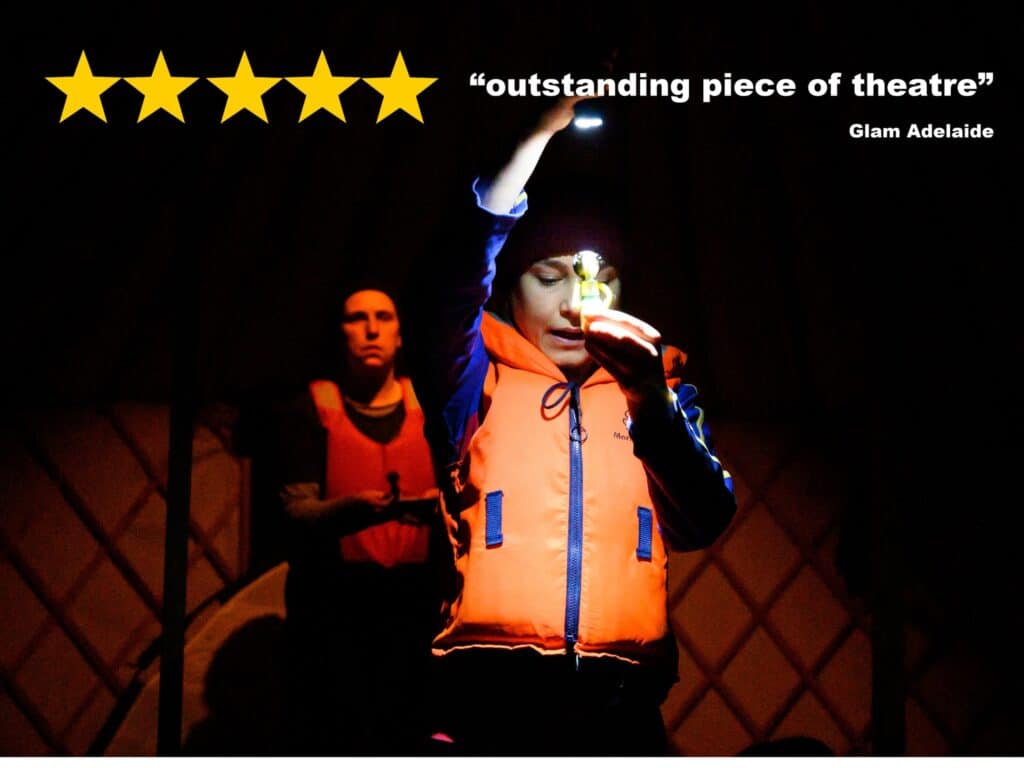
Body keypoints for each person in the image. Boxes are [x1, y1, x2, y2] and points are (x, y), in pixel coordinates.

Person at [407, 98, 737, 755]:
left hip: (621, 708)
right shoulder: (473, 380)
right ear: (509, 288)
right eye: (548, 277)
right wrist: (534, 134)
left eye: (599, 279)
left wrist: (647, 398)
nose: (574, 304)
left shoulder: (663, 392)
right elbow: (450, 282)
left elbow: (704, 519)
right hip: (491, 702)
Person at [278, 286, 442, 755]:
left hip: (417, 612)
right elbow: (294, 509)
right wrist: (351, 511)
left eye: (383, 317)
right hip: (334, 614)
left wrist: (436, 507)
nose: (371, 330)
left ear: (400, 334)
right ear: (339, 333)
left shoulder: (431, 405)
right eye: (357, 318)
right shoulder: (311, 409)